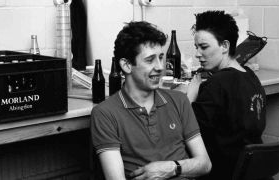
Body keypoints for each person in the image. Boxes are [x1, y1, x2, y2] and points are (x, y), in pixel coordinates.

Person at [90, 21, 211, 180]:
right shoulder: (105, 113)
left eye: (161, 57)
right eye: (150, 60)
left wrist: (170, 168)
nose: (160, 66)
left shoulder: (179, 100)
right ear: (126, 65)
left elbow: (205, 164)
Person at [187, 10, 267, 180]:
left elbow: (186, 132)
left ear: (224, 46)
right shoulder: (250, 76)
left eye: (204, 47)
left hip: (222, 172)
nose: (197, 54)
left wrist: (189, 97)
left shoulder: (216, 84)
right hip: (252, 171)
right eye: (196, 47)